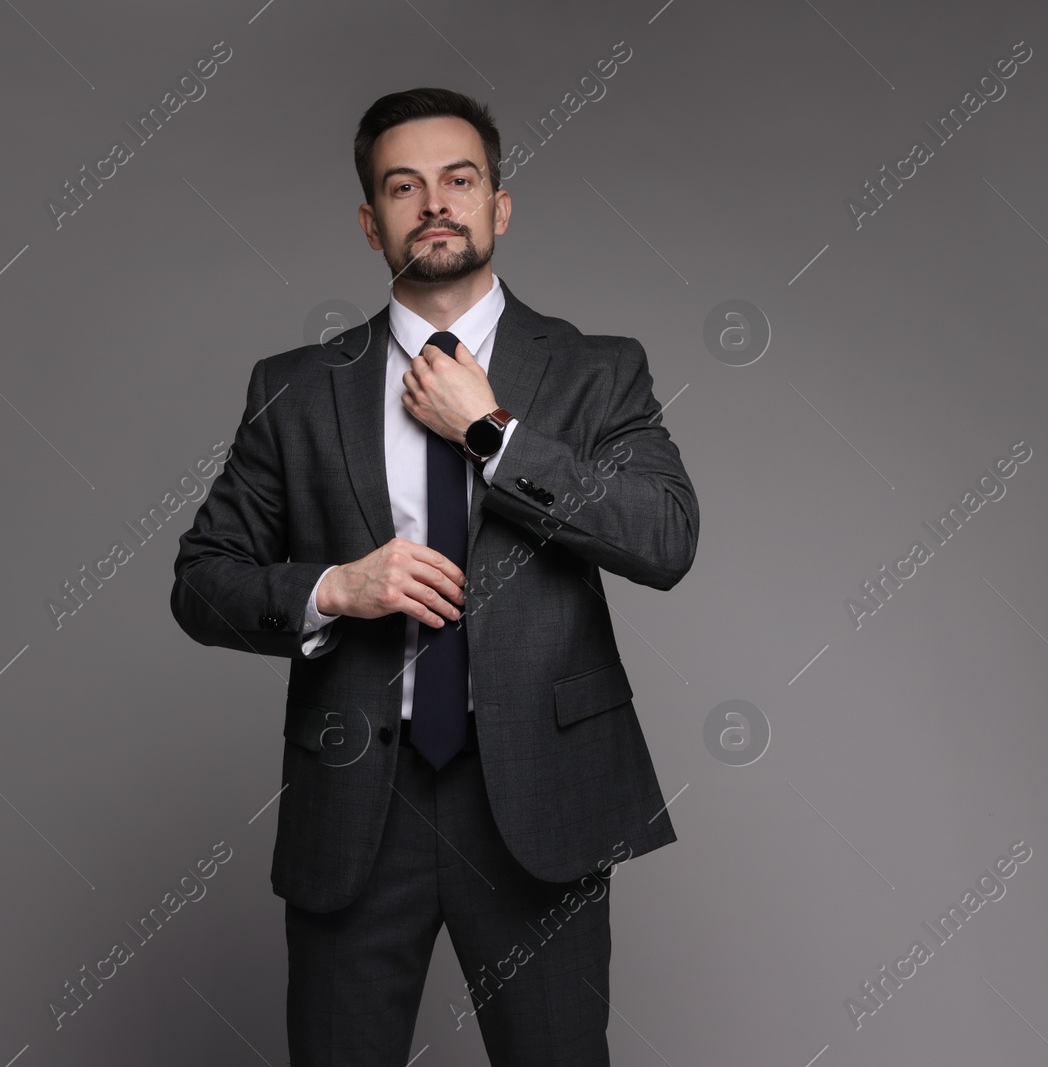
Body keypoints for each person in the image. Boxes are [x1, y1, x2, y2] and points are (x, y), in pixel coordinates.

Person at [170, 86, 698, 1066]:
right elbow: (203, 580)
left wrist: (491, 435)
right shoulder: (294, 387)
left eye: (460, 179)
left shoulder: (597, 369)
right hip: (360, 801)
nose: (435, 202)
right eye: (403, 186)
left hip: (542, 799)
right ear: (372, 222)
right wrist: (335, 588)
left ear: (500, 205)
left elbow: (663, 538)